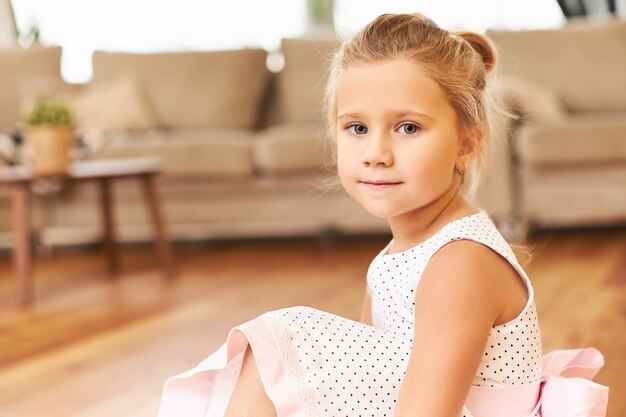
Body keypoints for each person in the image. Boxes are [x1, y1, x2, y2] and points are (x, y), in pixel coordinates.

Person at [158, 13, 608, 417]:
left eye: (408, 128)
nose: (375, 153)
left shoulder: (460, 263)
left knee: (284, 339)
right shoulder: (395, 256)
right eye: (357, 128)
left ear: (467, 144)